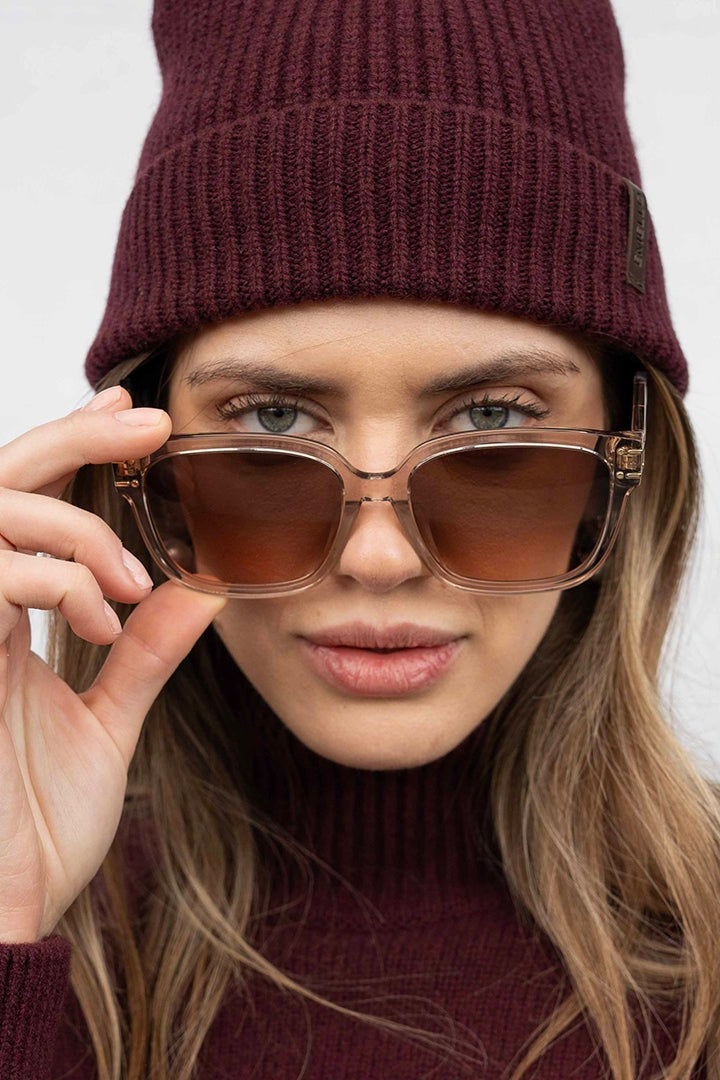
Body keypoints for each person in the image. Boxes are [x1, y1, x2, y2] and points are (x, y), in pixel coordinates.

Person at [0, 0, 717, 1077]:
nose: (378, 559)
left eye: (493, 424)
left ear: (619, 466)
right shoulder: (37, 938)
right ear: (146, 474)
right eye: (272, 425)